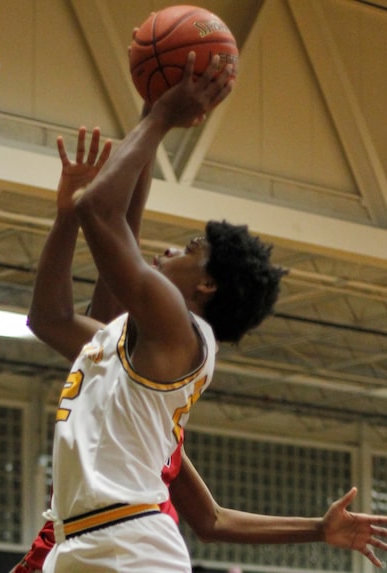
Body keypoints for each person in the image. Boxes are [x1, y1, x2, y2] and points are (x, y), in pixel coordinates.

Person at [20, 53, 387, 572]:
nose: (170, 250)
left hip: (130, 549)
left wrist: (161, 118)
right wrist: (64, 216)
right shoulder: (138, 354)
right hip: (85, 545)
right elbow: (49, 317)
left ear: (208, 283)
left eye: (190, 248)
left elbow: (100, 212)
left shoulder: (181, 331)